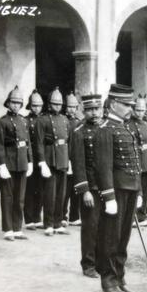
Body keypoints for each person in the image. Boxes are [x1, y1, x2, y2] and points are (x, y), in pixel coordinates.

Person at [94, 84, 141, 292]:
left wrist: (138, 192)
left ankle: (120, 277)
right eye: (125, 104)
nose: (130, 108)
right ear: (113, 104)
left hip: (130, 188)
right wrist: (108, 196)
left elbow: (135, 163)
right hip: (117, 190)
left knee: (123, 237)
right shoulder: (105, 130)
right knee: (111, 237)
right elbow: (103, 166)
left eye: (131, 104)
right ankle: (109, 280)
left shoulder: (126, 128)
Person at [0, 86, 34, 241]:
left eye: (18, 103)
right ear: (8, 103)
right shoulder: (1, 123)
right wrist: (1, 164)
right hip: (8, 163)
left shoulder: (23, 121)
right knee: (7, 196)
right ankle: (8, 229)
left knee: (20, 197)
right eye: (13, 102)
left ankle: (17, 228)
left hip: (22, 162)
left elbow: (28, 142)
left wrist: (30, 161)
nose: (16, 105)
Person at [70, 93, 105, 277]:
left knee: (106, 227)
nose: (94, 113)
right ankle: (88, 264)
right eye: (90, 110)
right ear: (84, 111)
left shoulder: (107, 128)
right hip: (91, 188)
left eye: (96, 109)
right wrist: (85, 191)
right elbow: (78, 164)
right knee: (90, 227)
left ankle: (102, 263)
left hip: (107, 187)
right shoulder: (79, 132)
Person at [34, 88, 71, 236]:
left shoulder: (65, 120)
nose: (57, 107)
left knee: (61, 194)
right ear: (49, 105)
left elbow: (68, 142)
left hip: (62, 159)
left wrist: (69, 161)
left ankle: (58, 222)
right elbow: (39, 143)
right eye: (55, 104)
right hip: (50, 159)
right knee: (49, 194)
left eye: (60, 104)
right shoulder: (42, 120)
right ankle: (48, 224)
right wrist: (42, 162)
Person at [130, 95, 147, 227]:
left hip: (146, 158)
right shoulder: (129, 124)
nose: (140, 113)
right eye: (138, 110)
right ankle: (132, 216)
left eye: (142, 110)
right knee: (136, 188)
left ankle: (142, 215)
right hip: (136, 158)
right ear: (133, 109)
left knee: (146, 188)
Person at [23, 90, 44, 229]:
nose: (37, 108)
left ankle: (38, 217)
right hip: (30, 159)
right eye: (34, 106)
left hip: (42, 159)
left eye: (39, 106)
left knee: (41, 189)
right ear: (30, 106)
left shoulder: (44, 120)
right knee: (29, 189)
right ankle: (29, 219)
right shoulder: (25, 121)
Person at [63, 93, 82, 227]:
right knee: (64, 191)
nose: (72, 109)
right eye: (69, 107)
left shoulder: (80, 122)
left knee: (77, 190)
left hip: (77, 160)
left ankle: (74, 216)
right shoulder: (63, 121)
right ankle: (62, 216)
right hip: (65, 160)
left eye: (74, 107)